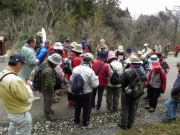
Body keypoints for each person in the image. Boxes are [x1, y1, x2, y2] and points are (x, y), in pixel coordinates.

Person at [0, 53, 32, 135]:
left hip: (11, 111)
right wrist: (27, 86)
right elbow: (26, 96)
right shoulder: (15, 80)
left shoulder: (1, 74)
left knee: (12, 130)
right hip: (21, 114)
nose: (21, 68)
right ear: (19, 64)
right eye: (22, 65)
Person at [117, 56, 146, 130]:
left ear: (132, 63)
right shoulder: (142, 72)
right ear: (139, 64)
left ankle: (124, 124)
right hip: (136, 94)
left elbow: (121, 81)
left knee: (125, 108)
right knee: (133, 108)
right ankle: (130, 124)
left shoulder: (127, 71)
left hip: (126, 93)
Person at [70, 53, 99, 127]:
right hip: (86, 93)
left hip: (76, 92)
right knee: (87, 108)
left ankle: (76, 120)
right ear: (90, 61)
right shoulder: (90, 71)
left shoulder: (75, 69)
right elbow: (95, 85)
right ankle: (85, 122)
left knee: (77, 107)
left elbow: (71, 80)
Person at [40, 53, 62, 121]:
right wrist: (51, 91)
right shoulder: (48, 70)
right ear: (53, 62)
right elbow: (49, 83)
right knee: (48, 101)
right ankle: (48, 115)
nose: (57, 64)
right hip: (46, 88)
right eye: (57, 63)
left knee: (47, 100)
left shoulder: (45, 62)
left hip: (43, 85)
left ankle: (49, 109)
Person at [66, 44, 83, 109]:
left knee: (70, 89)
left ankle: (70, 103)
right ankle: (73, 103)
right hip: (74, 77)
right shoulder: (78, 59)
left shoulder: (70, 56)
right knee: (74, 90)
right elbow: (77, 69)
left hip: (68, 75)